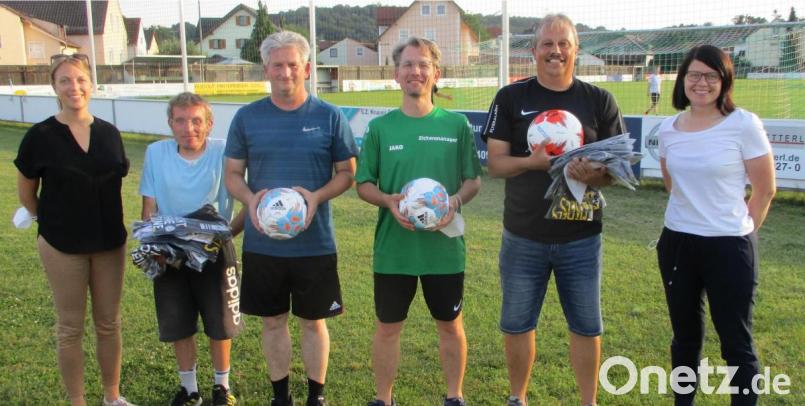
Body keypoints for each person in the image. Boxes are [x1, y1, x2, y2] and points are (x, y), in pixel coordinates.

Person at [481, 14, 625, 406]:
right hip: (524, 235)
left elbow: (617, 170)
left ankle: (587, 401)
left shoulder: (599, 101)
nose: (555, 51)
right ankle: (517, 398)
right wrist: (533, 162)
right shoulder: (511, 98)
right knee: (516, 324)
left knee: (585, 326)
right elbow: (495, 164)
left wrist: (594, 175)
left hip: (581, 237)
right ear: (534, 50)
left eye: (564, 43)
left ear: (575, 49)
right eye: (547, 44)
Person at [223, 30, 358, 406]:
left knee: (314, 321)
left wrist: (316, 197)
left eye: (292, 65)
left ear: (308, 68)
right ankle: (280, 396)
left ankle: (317, 396)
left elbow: (347, 172)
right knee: (272, 321)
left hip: (314, 242)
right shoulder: (247, 117)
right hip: (263, 244)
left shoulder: (329, 116)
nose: (285, 72)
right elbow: (232, 174)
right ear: (266, 69)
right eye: (277, 65)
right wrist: (250, 200)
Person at [355, 37, 482, 406]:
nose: (415, 71)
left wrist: (455, 200)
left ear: (435, 73)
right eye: (408, 64)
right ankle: (383, 399)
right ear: (396, 75)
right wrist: (388, 201)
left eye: (423, 64)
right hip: (394, 250)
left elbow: (473, 179)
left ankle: (454, 396)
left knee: (450, 325)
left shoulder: (456, 125)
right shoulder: (381, 129)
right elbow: (363, 184)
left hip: (444, 251)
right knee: (388, 328)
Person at [656, 44, 775, 406]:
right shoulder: (668, 129)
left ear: (724, 81)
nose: (701, 82)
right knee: (684, 339)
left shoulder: (744, 124)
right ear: (682, 80)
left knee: (736, 344)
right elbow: (671, 184)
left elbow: (765, 190)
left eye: (711, 75)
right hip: (677, 243)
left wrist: (737, 230)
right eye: (694, 74)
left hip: (729, 247)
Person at [14, 54, 134, 406]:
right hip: (62, 244)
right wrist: (51, 222)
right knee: (70, 328)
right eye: (65, 80)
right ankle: (78, 401)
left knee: (109, 324)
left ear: (91, 84)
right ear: (54, 87)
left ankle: (112, 397)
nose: (74, 87)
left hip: (109, 243)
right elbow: (27, 194)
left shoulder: (109, 133)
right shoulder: (40, 136)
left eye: (80, 79)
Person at [139, 92, 246, 406]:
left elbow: (248, 201)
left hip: (214, 252)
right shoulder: (156, 153)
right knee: (178, 320)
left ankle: (221, 387)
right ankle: (190, 390)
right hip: (170, 252)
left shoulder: (227, 152)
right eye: (181, 121)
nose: (189, 128)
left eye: (197, 120)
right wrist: (154, 243)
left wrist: (226, 236)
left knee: (220, 322)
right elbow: (149, 207)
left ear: (209, 123)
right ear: (170, 124)